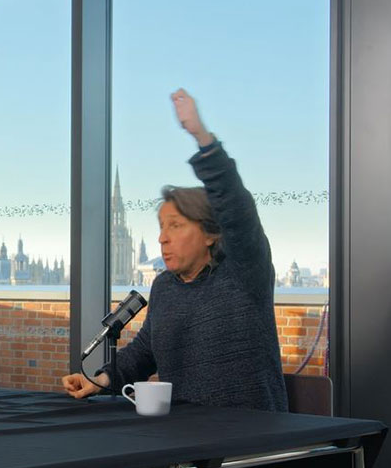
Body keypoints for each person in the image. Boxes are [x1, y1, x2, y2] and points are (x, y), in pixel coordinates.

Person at [62, 89, 288, 412]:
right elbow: (142, 353)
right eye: (161, 227)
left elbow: (237, 209)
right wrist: (100, 380)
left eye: (176, 226)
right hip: (183, 442)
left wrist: (202, 137)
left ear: (210, 233)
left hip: (248, 442)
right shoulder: (165, 287)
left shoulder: (244, 272)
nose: (162, 239)